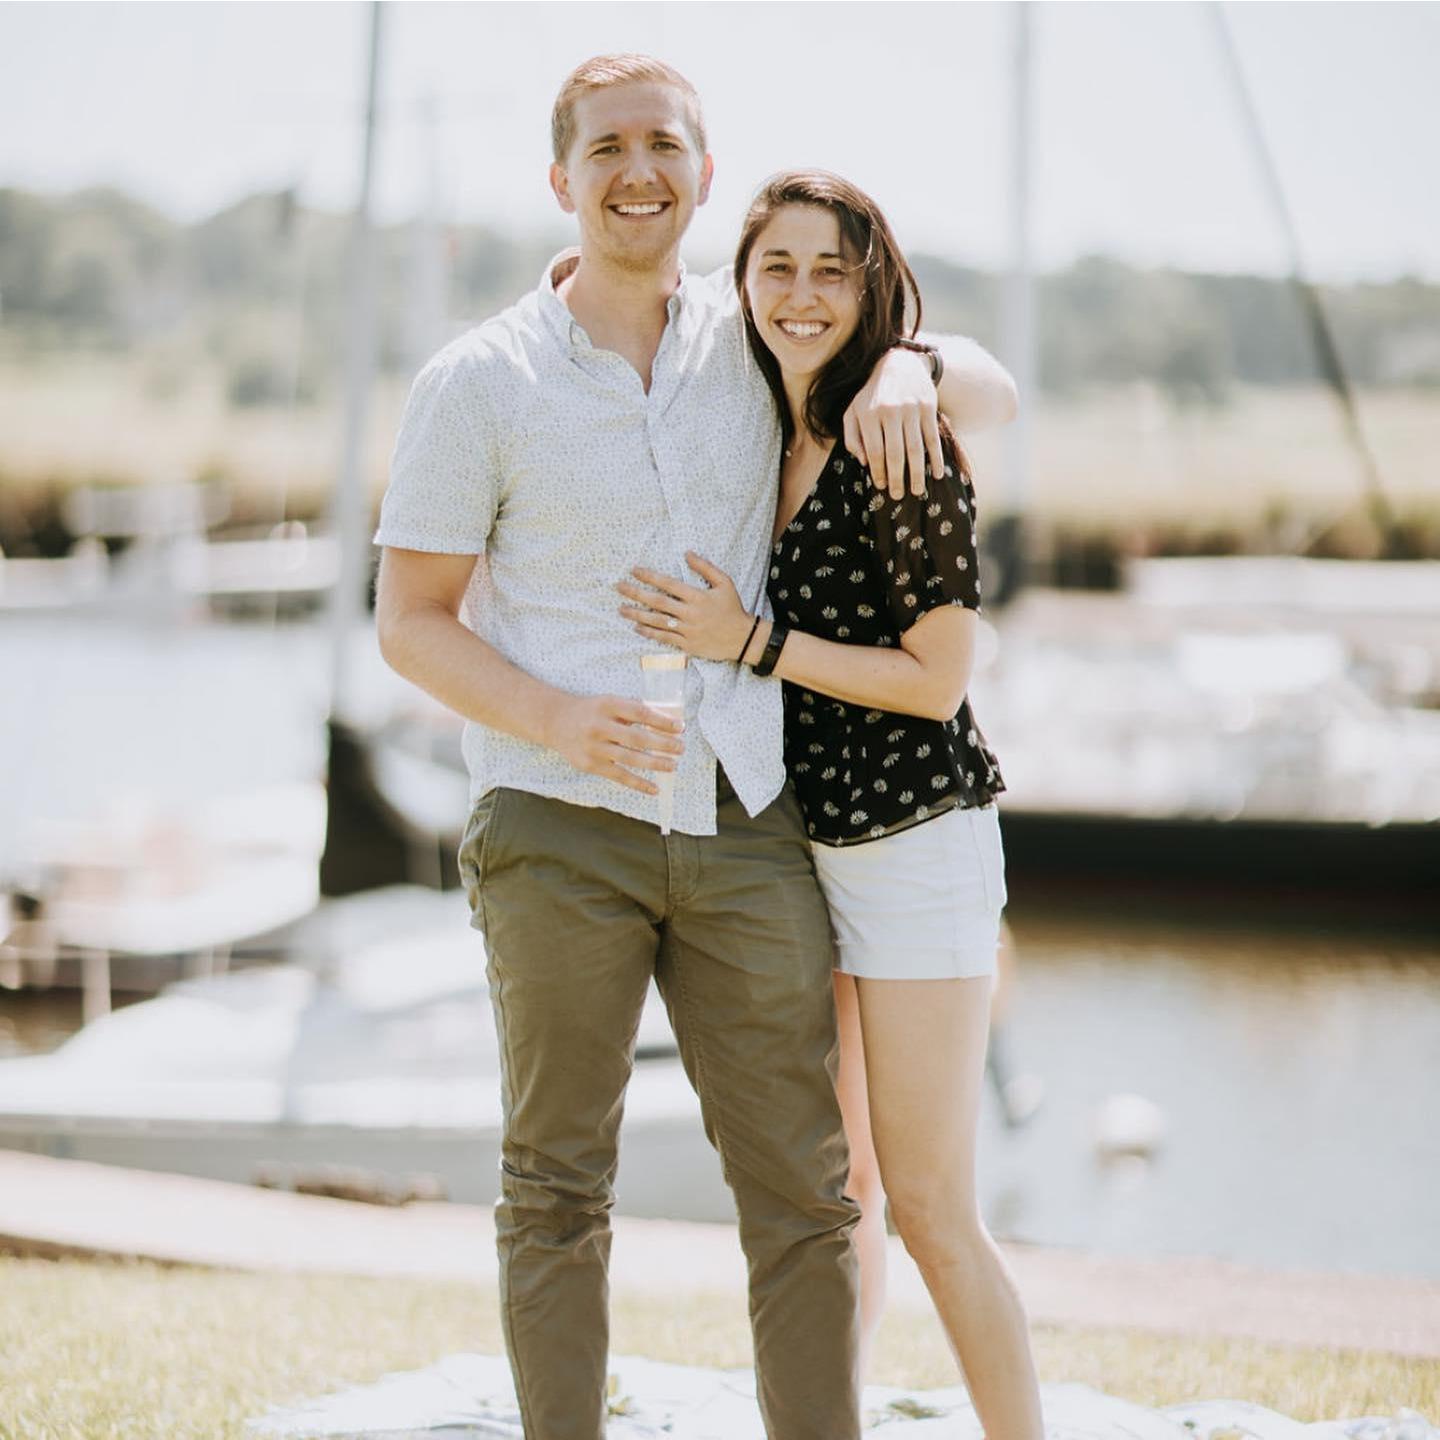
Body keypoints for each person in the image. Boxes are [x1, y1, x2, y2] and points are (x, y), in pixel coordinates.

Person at [374, 54, 1015, 1440]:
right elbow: (410, 624)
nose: (638, 170)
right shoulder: (475, 383)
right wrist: (552, 716)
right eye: (607, 148)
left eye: (665, 144)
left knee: (806, 1191)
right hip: (556, 824)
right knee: (557, 1185)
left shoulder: (756, 341)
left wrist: (908, 361)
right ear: (562, 179)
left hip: (747, 819)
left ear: (702, 175)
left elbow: (987, 386)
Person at [618, 170, 1043, 1438]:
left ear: (872, 287)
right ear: (740, 285)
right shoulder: (763, 424)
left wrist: (752, 643)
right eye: (777, 268)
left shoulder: (889, 431)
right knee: (845, 1195)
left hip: (916, 849)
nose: (802, 295)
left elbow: (940, 680)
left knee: (932, 1211)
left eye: (832, 270)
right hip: (810, 848)